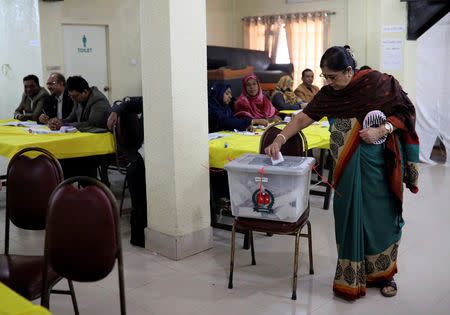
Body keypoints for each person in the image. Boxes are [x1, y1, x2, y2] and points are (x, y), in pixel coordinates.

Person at [265, 45, 420, 300]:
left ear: (349, 71)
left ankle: (384, 275)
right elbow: (305, 117)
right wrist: (280, 138)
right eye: (325, 77)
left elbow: (406, 111)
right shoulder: (329, 94)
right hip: (345, 170)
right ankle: (353, 273)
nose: (329, 82)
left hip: (377, 168)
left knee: (379, 219)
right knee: (348, 217)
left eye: (333, 77)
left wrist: (382, 130)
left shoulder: (378, 84)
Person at [107, 98, 146, 247]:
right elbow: (126, 103)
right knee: (135, 173)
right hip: (141, 152)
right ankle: (138, 234)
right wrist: (115, 112)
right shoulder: (149, 97)